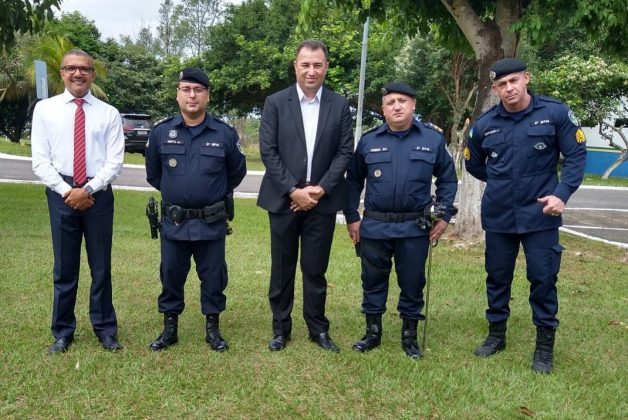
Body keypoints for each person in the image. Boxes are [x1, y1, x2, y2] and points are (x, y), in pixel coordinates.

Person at [465, 58, 587, 373]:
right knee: (497, 277)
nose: (509, 88)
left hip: (541, 213)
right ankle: (496, 335)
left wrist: (561, 194)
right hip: (499, 214)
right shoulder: (484, 124)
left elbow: (576, 155)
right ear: (495, 89)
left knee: (543, 278)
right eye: (501, 84)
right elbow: (473, 162)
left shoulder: (555, 113)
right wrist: (500, 181)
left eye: (514, 81)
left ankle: (544, 346)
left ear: (526, 79)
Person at [344, 82, 458, 359]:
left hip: (414, 227)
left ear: (413, 105)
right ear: (383, 109)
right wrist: (352, 217)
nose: (397, 106)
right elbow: (353, 181)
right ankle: (372, 333)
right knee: (372, 280)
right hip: (375, 225)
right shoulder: (369, 141)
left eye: (402, 101)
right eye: (390, 102)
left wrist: (443, 216)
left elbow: (448, 179)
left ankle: (409, 337)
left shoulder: (432, 139)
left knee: (412, 282)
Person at [257, 40, 354, 352]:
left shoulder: (339, 105)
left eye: (317, 65)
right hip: (284, 199)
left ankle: (318, 329)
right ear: (295, 67)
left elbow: (344, 152)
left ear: (326, 67)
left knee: (315, 269)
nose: (311, 71)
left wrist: (321, 189)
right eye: (305, 65)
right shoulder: (275, 103)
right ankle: (280, 329)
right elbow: (268, 151)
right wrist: (293, 190)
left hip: (321, 201)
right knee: (282, 268)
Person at [145, 67, 246, 352]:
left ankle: (213, 329)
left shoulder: (224, 134)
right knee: (170, 274)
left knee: (213, 277)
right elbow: (154, 174)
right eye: (186, 90)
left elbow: (236, 173)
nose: (192, 95)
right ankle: (170, 329)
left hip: (211, 222)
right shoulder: (161, 132)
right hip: (174, 222)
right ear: (177, 94)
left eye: (198, 90)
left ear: (207, 95)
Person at [31, 49, 125, 353]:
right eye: (71, 68)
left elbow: (115, 161)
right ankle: (62, 332)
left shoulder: (109, 113)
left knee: (101, 266)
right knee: (64, 267)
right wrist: (67, 191)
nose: (78, 74)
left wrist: (89, 189)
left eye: (84, 69)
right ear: (62, 73)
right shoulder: (45, 110)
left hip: (99, 195)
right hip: (61, 194)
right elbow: (40, 160)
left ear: (93, 74)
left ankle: (105, 329)